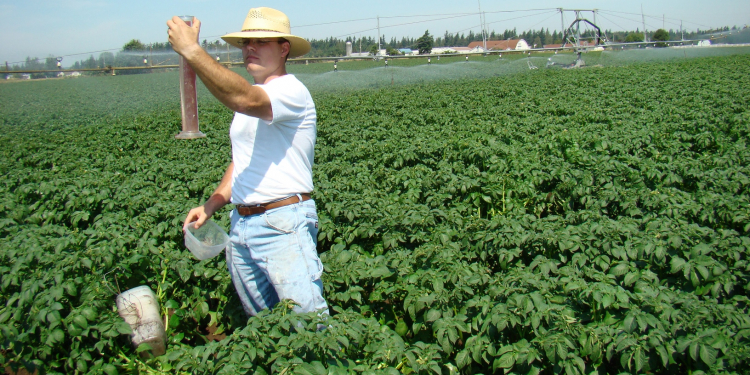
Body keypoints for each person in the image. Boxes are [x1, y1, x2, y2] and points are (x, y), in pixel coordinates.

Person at [168, 7, 328, 317]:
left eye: (261, 42)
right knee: (265, 329)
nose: (250, 48)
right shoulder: (256, 99)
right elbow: (243, 161)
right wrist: (212, 204)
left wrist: (191, 50)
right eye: (245, 43)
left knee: (309, 326)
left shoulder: (290, 91)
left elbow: (242, 98)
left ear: (284, 49)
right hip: (241, 227)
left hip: (282, 223)